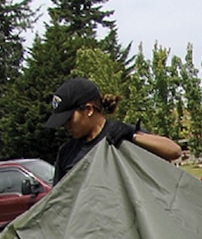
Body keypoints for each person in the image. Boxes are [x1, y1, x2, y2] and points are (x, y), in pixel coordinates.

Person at [45, 78, 184, 184]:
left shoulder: (121, 135)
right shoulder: (67, 153)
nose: (65, 125)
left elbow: (174, 151)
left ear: (88, 110)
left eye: (69, 119)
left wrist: (132, 136)